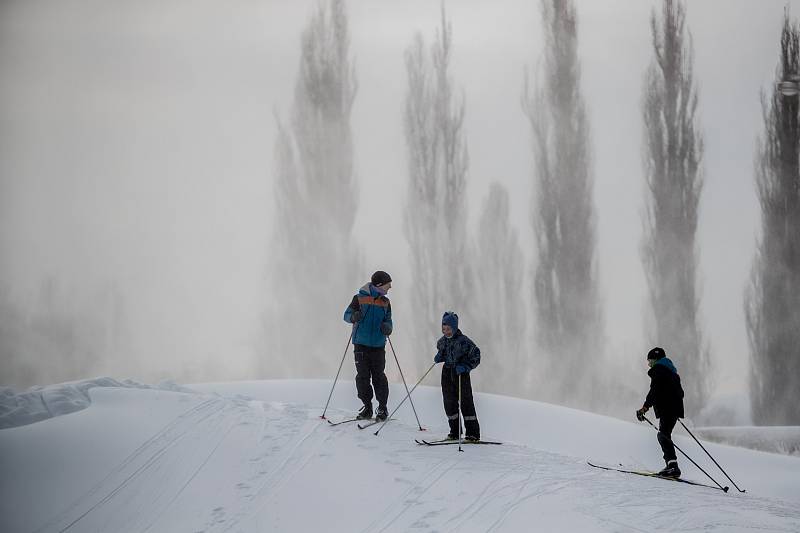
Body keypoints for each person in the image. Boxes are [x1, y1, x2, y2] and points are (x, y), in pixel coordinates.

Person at [343, 271, 393, 421]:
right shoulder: (359, 299)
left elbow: (389, 321)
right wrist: (353, 317)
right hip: (361, 345)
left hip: (378, 345)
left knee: (379, 377)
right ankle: (367, 407)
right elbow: (346, 315)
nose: (389, 288)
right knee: (363, 378)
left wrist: (388, 327)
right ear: (379, 285)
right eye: (387, 285)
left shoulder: (385, 302)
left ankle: (382, 408)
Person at [636, 346, 685, 478]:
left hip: (667, 409)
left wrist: (644, 408)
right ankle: (671, 465)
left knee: (663, 435)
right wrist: (675, 407)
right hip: (674, 409)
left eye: (649, 360)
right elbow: (681, 393)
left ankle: (673, 467)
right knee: (664, 434)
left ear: (655, 359)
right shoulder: (672, 372)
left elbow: (654, 391)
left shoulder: (658, 370)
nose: (648, 363)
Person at [433, 311, 481, 441]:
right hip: (447, 373)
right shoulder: (442, 342)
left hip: (460, 374)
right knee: (449, 403)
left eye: (449, 329)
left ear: (455, 328)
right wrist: (439, 357)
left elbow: (476, 356)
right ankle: (455, 431)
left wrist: (466, 366)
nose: (446, 332)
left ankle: (472, 434)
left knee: (466, 403)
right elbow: (442, 352)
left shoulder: (464, 342)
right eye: (444, 329)